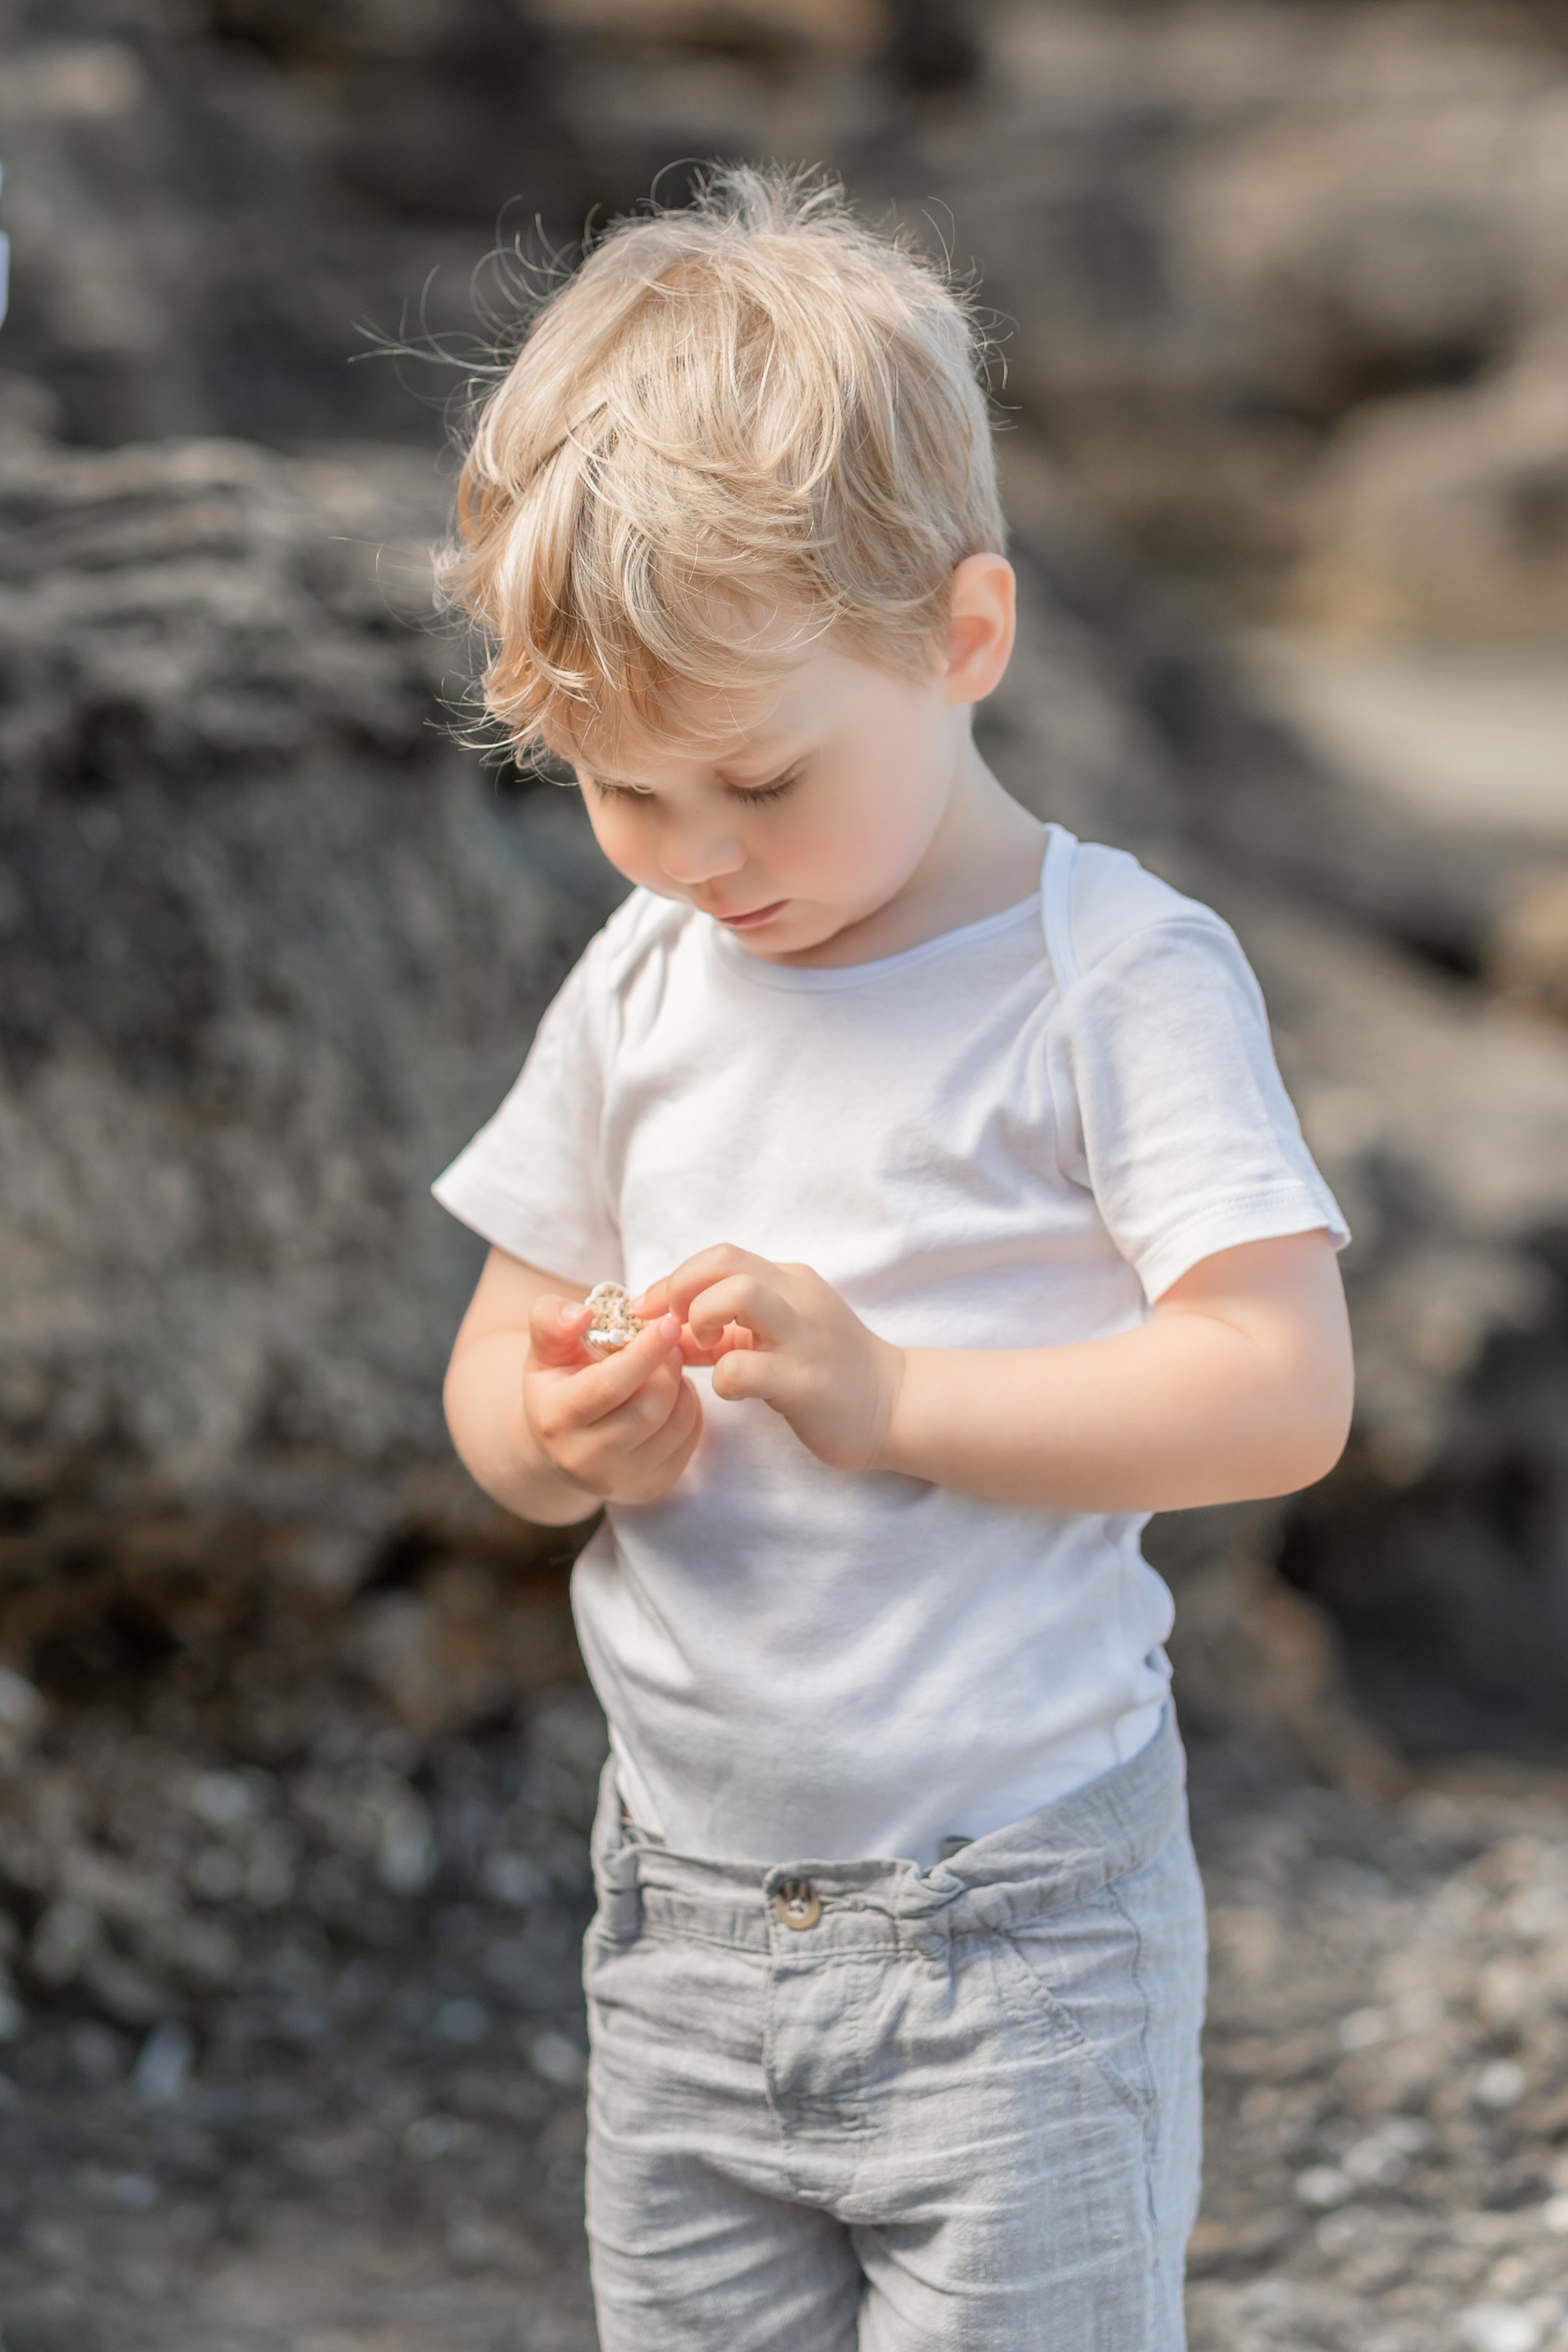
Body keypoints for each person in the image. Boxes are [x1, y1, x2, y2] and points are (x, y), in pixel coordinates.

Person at [432, 164, 1352, 2352]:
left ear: (965, 637)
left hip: (1013, 1924)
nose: (698, 858)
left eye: (756, 775)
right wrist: (570, 1435)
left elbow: (1278, 1387)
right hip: (674, 1916)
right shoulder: (646, 982)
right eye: (622, 793)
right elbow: (487, 1378)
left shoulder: (1108, 975)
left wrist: (897, 1399)